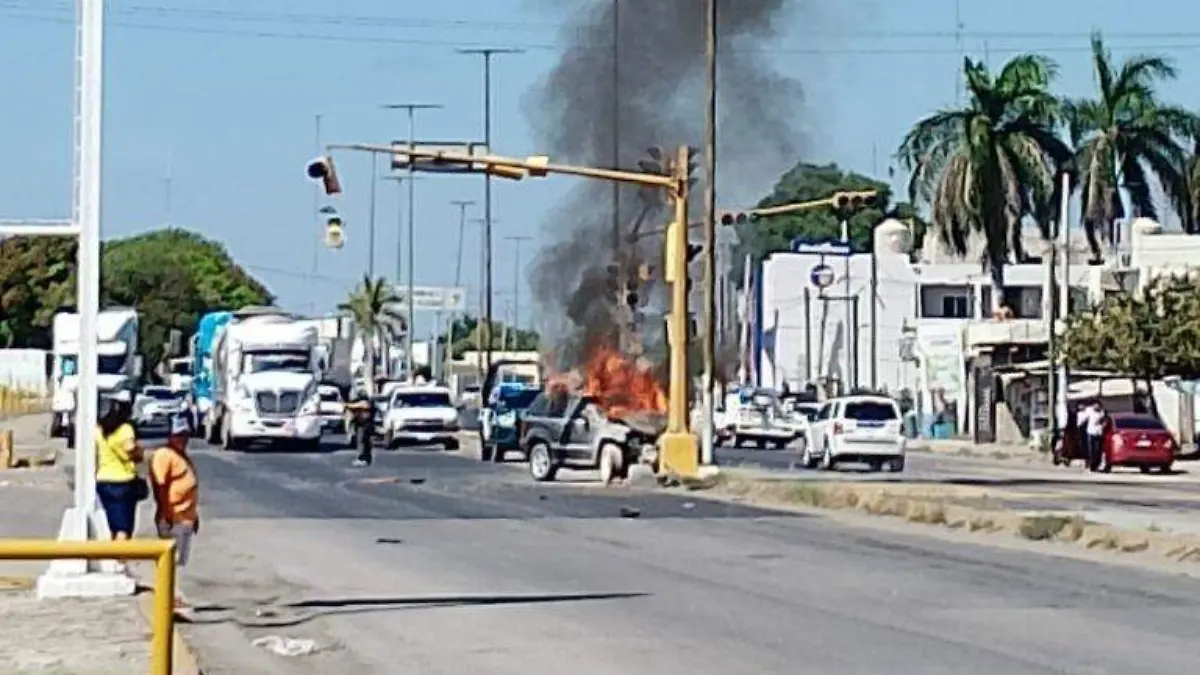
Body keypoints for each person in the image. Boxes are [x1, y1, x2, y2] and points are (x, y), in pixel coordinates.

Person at [150, 415, 200, 608]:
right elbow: (160, 486)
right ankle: (169, 598)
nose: (183, 439)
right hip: (173, 516)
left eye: (185, 435)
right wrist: (164, 513)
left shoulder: (181, 455)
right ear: (170, 436)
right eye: (179, 436)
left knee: (179, 560)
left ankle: (172, 595)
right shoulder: (164, 455)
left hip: (185, 517)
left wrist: (194, 516)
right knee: (171, 560)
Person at [95, 390, 146, 541]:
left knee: (113, 525)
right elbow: (130, 448)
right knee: (124, 528)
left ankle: (113, 557)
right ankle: (119, 561)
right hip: (123, 482)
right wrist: (139, 454)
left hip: (103, 480)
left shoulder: (100, 428)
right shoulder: (125, 429)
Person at [345, 390, 375, 467]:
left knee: (362, 441)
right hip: (360, 424)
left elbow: (361, 405)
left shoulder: (365, 403)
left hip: (365, 425)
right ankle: (363, 458)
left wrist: (348, 405)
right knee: (361, 441)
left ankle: (363, 459)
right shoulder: (360, 404)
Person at [1077, 400, 1106, 471]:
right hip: (1090, 432)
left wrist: (1103, 425)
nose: (1096, 407)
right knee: (1091, 450)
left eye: (1098, 405)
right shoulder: (1089, 411)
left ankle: (1096, 464)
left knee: (1097, 450)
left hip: (1099, 433)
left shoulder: (1102, 412)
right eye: (1095, 405)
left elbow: (1105, 420)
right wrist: (1078, 424)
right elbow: (1083, 418)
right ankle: (1091, 465)